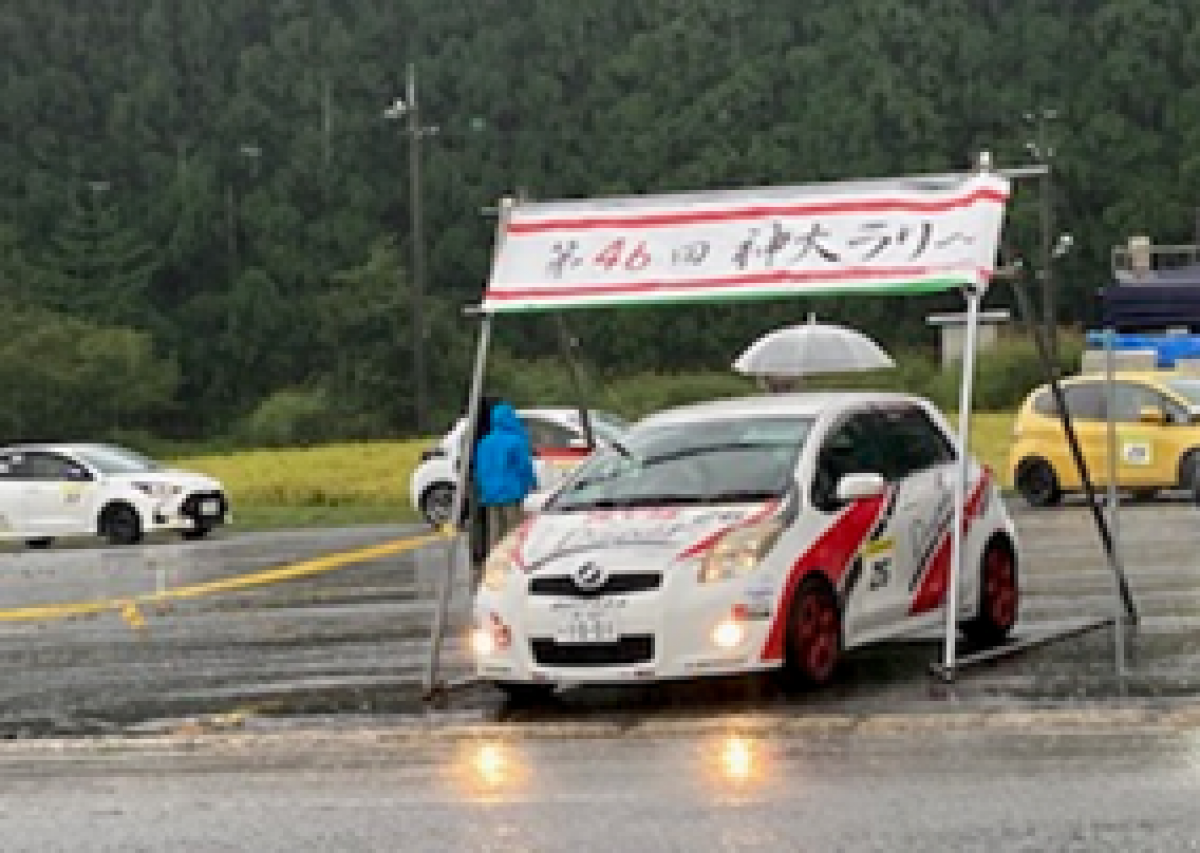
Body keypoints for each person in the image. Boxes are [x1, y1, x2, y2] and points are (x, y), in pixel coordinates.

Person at [472, 401, 537, 556]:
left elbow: (479, 469)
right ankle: (514, 563)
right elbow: (524, 467)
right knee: (515, 531)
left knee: (495, 533)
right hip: (511, 492)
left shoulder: (484, 442)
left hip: (490, 494)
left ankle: (495, 562)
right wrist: (532, 484)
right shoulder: (516, 441)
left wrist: (483, 488)